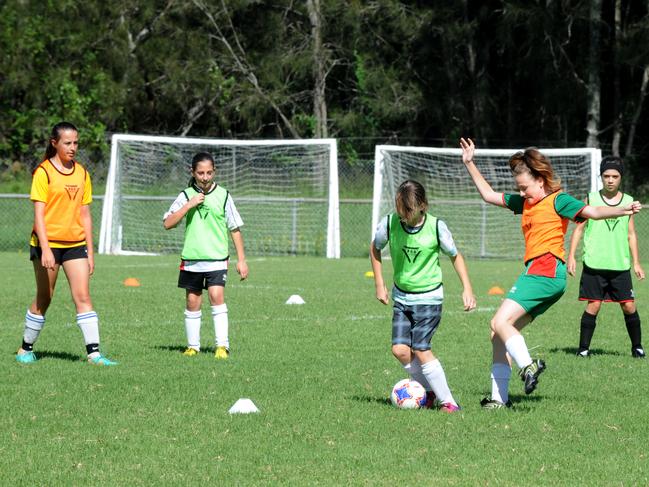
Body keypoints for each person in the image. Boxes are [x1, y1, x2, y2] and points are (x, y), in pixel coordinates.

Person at [459, 138, 641, 409]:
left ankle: (528, 366)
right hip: (541, 274)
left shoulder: (559, 200)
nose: (521, 193)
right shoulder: (525, 203)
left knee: (498, 321)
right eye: (518, 188)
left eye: (525, 187)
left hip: (545, 270)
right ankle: (499, 400)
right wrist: (469, 163)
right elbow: (488, 195)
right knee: (498, 334)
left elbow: (592, 210)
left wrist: (621, 209)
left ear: (540, 180)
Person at [370, 179, 476, 413]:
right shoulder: (389, 223)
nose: (402, 214)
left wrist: (466, 288)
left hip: (429, 298)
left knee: (420, 348)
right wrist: (380, 283)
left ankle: (449, 402)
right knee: (399, 350)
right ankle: (427, 392)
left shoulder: (437, 227)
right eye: (399, 208)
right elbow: (375, 248)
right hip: (402, 298)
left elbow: (455, 256)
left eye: (407, 210)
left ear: (422, 206)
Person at [16, 122, 117, 365]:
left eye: (76, 143)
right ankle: (25, 349)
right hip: (46, 244)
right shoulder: (43, 172)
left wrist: (91, 253)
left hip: (75, 244)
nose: (73, 148)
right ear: (55, 144)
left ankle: (94, 354)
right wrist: (46, 249)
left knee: (83, 295)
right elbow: (39, 215)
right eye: (67, 143)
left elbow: (85, 215)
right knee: (45, 297)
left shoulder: (82, 172)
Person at [163, 152, 248, 359]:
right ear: (193, 172)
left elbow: (235, 228)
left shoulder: (224, 195)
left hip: (217, 258)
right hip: (192, 259)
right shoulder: (185, 195)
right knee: (193, 301)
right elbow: (168, 223)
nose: (205, 177)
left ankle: (222, 346)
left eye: (209, 172)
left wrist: (242, 259)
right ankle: (193, 346)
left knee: (216, 297)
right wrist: (189, 205)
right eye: (200, 173)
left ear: (214, 172)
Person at [567, 156, 645, 358]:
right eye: (606, 176)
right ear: (601, 176)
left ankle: (637, 347)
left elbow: (631, 234)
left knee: (629, 305)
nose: (610, 180)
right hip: (595, 264)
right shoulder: (591, 199)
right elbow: (578, 230)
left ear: (621, 178)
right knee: (593, 305)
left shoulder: (628, 201)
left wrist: (636, 262)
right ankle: (583, 349)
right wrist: (572, 257)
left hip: (620, 265)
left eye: (615, 176)